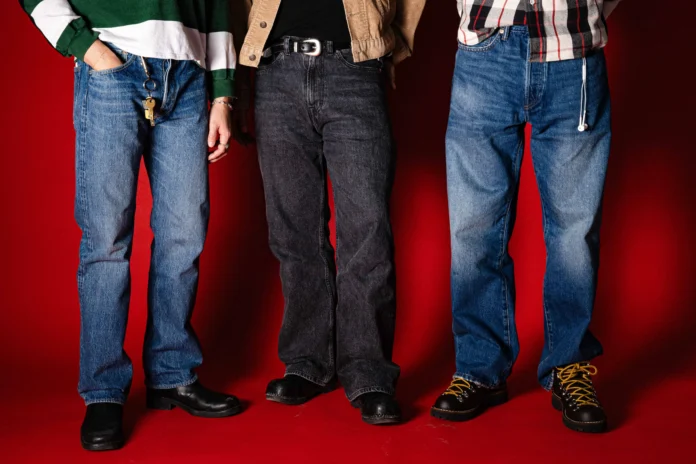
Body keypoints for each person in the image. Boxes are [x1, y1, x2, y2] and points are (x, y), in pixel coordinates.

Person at [19, 0, 243, 451]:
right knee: (106, 240)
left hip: (188, 73)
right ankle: (103, 390)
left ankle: (172, 374)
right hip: (114, 68)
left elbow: (218, 5)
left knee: (184, 234)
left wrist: (222, 94)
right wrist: (87, 47)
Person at [431, 0, 622, 433]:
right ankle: (479, 368)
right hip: (484, 54)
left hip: (573, 53)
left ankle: (568, 365)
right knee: (473, 227)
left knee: (575, 230)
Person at [232, 0, 425, 425]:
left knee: (367, 229)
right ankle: (307, 361)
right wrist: (240, 83)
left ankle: (369, 372)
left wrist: (387, 42)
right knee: (293, 230)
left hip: (354, 70)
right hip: (276, 69)